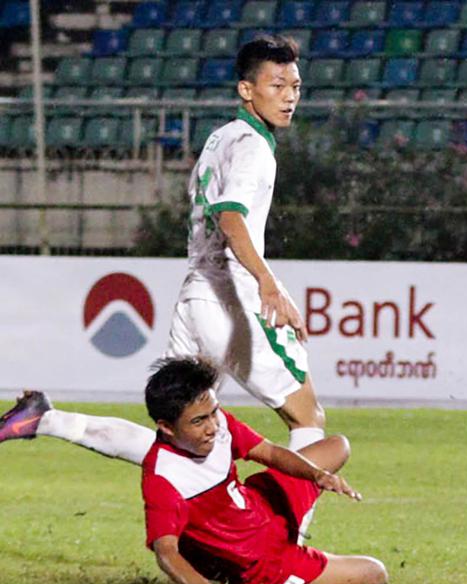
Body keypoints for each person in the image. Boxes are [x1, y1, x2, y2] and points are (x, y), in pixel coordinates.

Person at [1, 36, 329, 533]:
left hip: (196, 294)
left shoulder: (222, 137)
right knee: (307, 418)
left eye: (296, 86)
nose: (289, 95)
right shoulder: (252, 150)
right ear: (247, 89)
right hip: (231, 298)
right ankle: (291, 537)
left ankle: (44, 419)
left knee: (176, 437)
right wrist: (267, 283)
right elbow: (230, 217)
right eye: (276, 84)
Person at [140, 356, 386, 584]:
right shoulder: (163, 477)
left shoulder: (218, 422)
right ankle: (297, 560)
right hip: (262, 561)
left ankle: (294, 529)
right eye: (198, 421)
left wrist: (318, 475)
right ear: (166, 427)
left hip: (262, 504)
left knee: (337, 446)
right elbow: (166, 552)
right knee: (375, 573)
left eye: (213, 412)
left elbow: (269, 452)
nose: (213, 427)